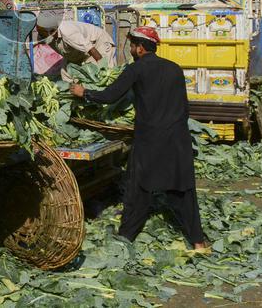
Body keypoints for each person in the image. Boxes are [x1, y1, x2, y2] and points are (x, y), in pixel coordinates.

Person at [70, 27, 208, 250]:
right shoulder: (175, 69)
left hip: (149, 140)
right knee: (182, 191)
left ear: (140, 48)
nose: (131, 49)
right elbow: (183, 106)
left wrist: (83, 92)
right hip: (178, 139)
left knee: (139, 189)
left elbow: (109, 96)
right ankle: (198, 242)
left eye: (133, 45)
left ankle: (126, 237)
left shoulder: (136, 70)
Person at [35, 9, 116, 80]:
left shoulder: (68, 32)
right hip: (77, 52)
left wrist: (104, 69)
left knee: (98, 75)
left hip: (98, 46)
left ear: (52, 31)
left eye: (42, 33)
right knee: (66, 74)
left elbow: (92, 50)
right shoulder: (45, 36)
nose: (40, 36)